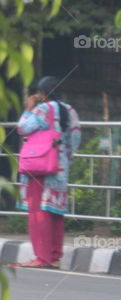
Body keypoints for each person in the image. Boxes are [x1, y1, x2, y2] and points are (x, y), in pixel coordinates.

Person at [15, 77, 81, 269]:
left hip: (39, 167)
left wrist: (28, 107)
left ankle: (41, 258)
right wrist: (65, 158)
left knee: (38, 212)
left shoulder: (43, 109)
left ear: (42, 93)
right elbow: (75, 137)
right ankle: (54, 256)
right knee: (55, 212)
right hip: (60, 168)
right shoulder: (70, 110)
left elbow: (22, 128)